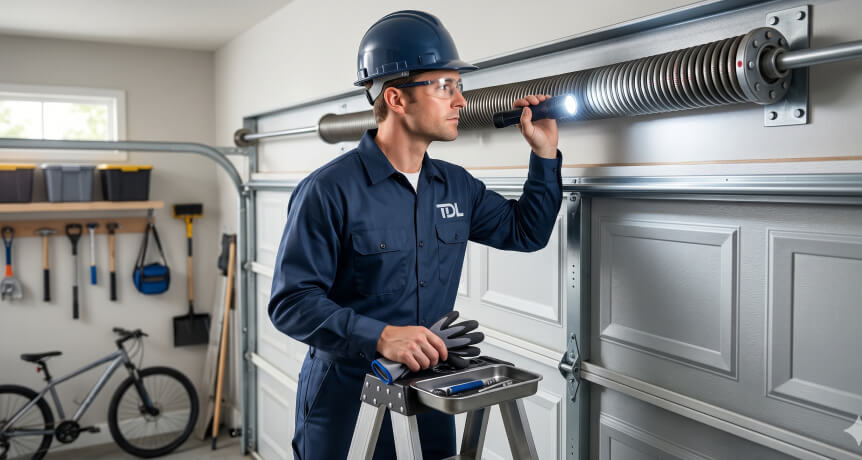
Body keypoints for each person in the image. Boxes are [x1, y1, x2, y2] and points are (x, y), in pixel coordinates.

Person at [268, 10, 563, 459]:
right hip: (347, 401)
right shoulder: (328, 190)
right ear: (396, 99)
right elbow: (290, 303)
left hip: (426, 399)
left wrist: (545, 154)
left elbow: (526, 232)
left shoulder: (456, 185)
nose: (461, 101)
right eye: (446, 87)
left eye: (458, 87)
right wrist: (381, 335)